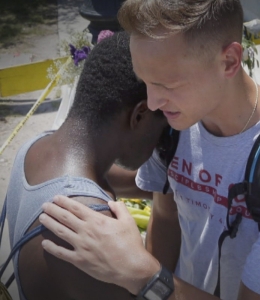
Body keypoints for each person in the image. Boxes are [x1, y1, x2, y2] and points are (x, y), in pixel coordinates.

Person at [38, 1, 260, 299]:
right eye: (145, 82)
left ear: (229, 62)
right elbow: (167, 216)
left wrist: (143, 275)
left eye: (167, 85)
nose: (153, 103)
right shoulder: (176, 127)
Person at [5, 32, 168, 300]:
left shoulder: (37, 148)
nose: (161, 144)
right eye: (164, 128)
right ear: (140, 115)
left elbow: (131, 180)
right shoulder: (89, 223)